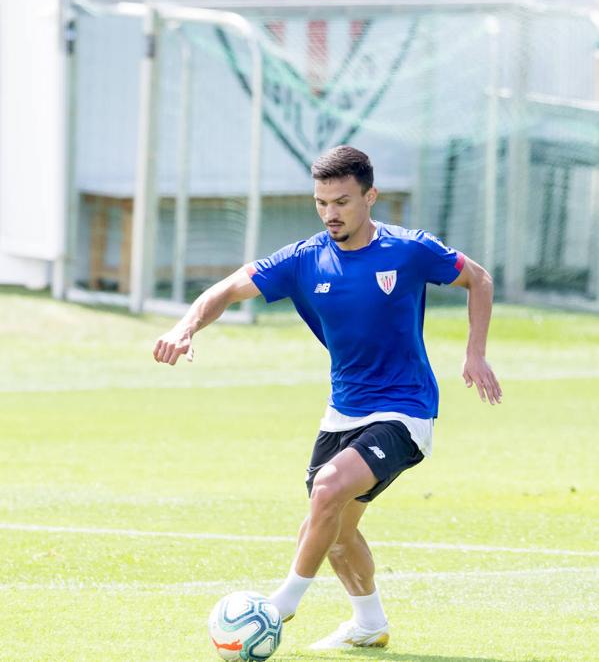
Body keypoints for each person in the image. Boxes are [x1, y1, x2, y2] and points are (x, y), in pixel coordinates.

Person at [153, 145, 501, 650]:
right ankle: (369, 623)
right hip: (343, 412)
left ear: (370, 196)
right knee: (335, 529)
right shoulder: (303, 259)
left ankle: (281, 606)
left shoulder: (408, 250)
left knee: (329, 489)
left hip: (406, 409)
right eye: (321, 202)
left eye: (341, 201)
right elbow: (227, 289)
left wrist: (476, 353)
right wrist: (186, 327)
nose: (330, 213)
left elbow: (480, 278)